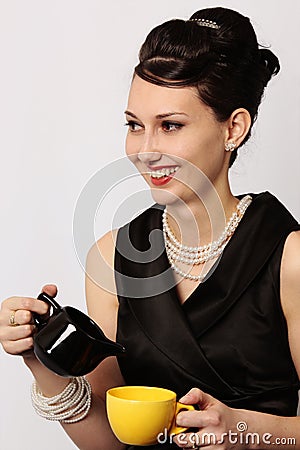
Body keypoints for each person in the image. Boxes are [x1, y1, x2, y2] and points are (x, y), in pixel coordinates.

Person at [1, 6, 300, 450]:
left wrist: (244, 429)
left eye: (170, 126)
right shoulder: (110, 258)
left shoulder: (290, 257)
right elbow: (110, 442)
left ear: (233, 128)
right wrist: (42, 362)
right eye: (134, 126)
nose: (145, 150)